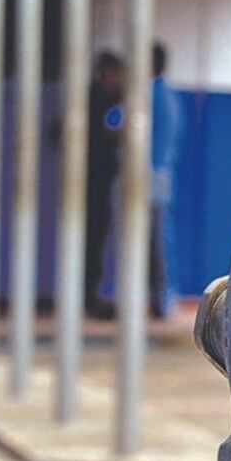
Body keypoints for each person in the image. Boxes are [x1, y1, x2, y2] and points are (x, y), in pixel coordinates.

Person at [84, 52, 124, 320]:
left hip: (97, 179)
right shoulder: (99, 100)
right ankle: (89, 298)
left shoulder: (102, 99)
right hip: (93, 179)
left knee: (95, 242)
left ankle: (89, 296)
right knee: (92, 241)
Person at [148, 42, 184, 318]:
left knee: (153, 240)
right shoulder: (169, 95)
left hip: (148, 174)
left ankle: (161, 299)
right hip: (162, 173)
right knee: (159, 239)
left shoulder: (148, 95)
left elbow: (115, 121)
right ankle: (162, 298)